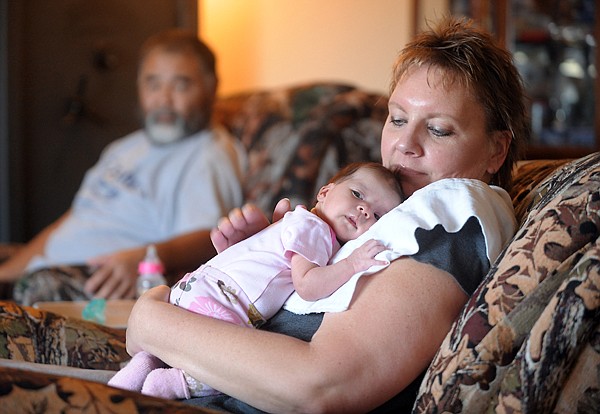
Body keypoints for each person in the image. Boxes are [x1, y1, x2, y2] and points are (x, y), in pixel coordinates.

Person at [0, 16, 528, 413]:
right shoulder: (388, 220)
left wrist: (152, 318)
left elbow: (321, 385)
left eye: (438, 130)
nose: (404, 146)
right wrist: (260, 266)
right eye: (396, 119)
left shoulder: (448, 223)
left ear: (496, 150)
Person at [108, 161, 404, 399]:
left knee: (170, 350)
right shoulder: (317, 232)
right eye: (357, 194)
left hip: (195, 288)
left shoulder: (294, 221)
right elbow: (309, 285)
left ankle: (139, 369)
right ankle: (168, 384)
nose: (364, 209)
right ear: (325, 192)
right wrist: (353, 264)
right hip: (223, 303)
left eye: (378, 214)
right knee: (228, 376)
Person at [0, 29, 245, 304]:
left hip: (95, 283)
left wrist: (145, 258)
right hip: (46, 269)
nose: (163, 99)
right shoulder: (124, 148)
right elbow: (72, 220)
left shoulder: (209, 154)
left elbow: (208, 236)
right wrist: (7, 272)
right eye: (153, 84)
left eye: (180, 85)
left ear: (211, 87)